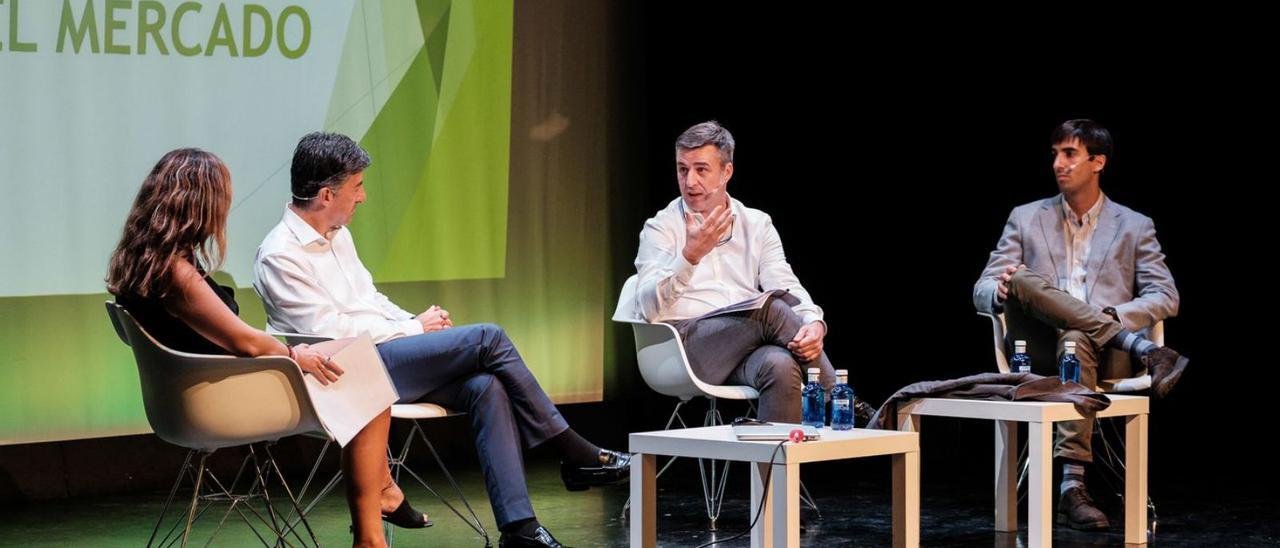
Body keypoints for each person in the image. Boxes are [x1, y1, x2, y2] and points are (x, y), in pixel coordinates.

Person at [253, 132, 629, 548]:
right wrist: (414, 330)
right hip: (345, 374)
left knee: (485, 387)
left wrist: (412, 321)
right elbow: (332, 333)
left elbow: (369, 299)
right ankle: (573, 450)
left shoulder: (338, 234)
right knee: (488, 338)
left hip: (384, 358)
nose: (362, 197)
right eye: (356, 187)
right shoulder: (280, 254)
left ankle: (519, 527)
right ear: (327, 194)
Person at [106, 148, 425, 548]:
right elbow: (242, 339)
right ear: (199, 204)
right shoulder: (178, 274)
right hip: (221, 401)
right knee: (365, 381)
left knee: (354, 367)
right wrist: (296, 355)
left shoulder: (141, 265)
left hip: (192, 397)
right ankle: (372, 531)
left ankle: (383, 498)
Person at [973, 119, 1189, 530]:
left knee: (1077, 335)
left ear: (1098, 162)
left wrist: (1113, 317)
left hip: (1102, 355)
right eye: (1055, 154)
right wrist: (999, 292)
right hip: (1035, 350)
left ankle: (1072, 487)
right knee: (1019, 278)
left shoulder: (1134, 226)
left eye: (1069, 154)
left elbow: (1166, 296)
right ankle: (1147, 349)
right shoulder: (1025, 217)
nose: (1058, 163)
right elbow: (981, 287)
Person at [632, 121, 837, 423]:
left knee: (780, 365)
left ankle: (777, 471)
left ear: (726, 172)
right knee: (770, 311)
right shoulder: (660, 228)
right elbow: (645, 308)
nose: (689, 182)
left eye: (701, 170)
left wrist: (814, 324)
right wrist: (689, 256)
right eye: (682, 169)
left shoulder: (757, 224)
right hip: (684, 348)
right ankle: (843, 399)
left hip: (745, 349)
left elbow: (784, 282)